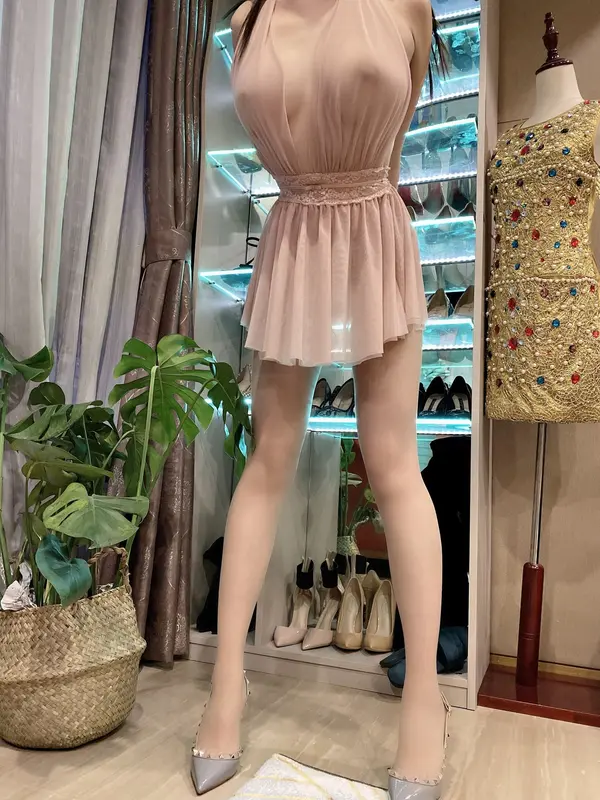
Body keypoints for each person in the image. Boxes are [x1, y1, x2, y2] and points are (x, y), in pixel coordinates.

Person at [192, 2, 450, 798]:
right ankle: (226, 686)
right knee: (269, 454)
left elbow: (394, 147)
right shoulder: (250, 14)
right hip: (292, 234)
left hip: (374, 222)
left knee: (392, 461)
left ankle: (425, 700)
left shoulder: (404, 7)